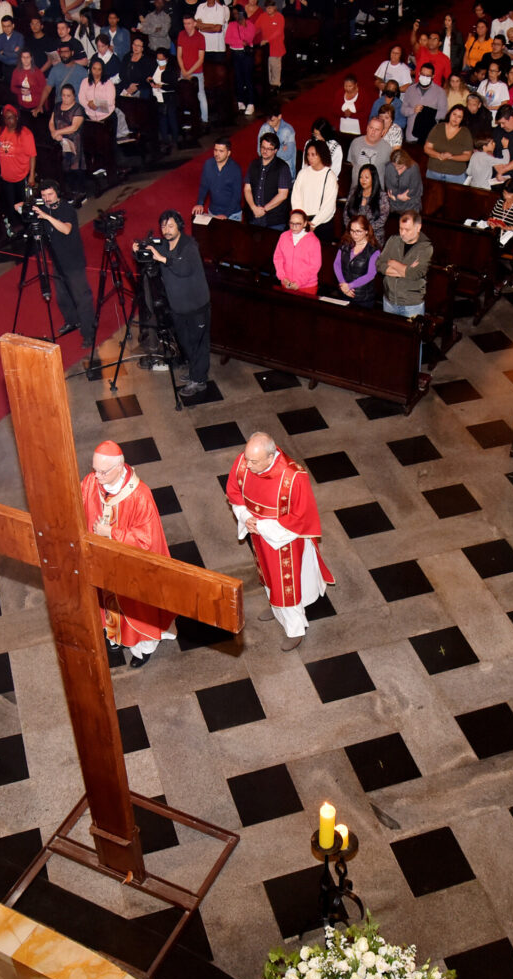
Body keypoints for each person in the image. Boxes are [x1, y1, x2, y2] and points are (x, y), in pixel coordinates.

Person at [226, 431, 334, 652]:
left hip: (284, 542)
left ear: (270, 456)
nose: (247, 465)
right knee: (267, 576)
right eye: (246, 458)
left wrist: (262, 526)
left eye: (254, 461)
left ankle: (295, 631)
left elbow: (300, 518)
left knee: (286, 586)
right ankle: (276, 609)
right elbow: (234, 492)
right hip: (259, 537)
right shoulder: (244, 461)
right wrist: (246, 517)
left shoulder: (293, 477)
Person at [81, 440, 175, 668]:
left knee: (136, 608)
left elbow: (147, 540)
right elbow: (78, 505)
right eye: (95, 470)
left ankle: (143, 649)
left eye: (103, 472)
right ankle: (113, 635)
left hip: (131, 568)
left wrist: (111, 532)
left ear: (119, 467)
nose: (97, 476)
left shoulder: (140, 495)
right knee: (105, 600)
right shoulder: (91, 483)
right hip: (103, 562)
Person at [134, 209, 211, 398]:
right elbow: (147, 258)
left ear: (179, 227)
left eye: (170, 226)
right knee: (185, 342)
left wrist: (161, 258)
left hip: (196, 307)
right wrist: (139, 250)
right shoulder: (163, 245)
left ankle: (199, 380)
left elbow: (183, 268)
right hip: (178, 307)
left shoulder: (189, 246)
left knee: (198, 343)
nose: (166, 230)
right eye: (163, 226)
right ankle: (195, 371)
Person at [25, 179, 96, 347]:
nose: (47, 198)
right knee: (62, 296)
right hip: (57, 260)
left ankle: (88, 333)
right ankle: (72, 321)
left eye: (50, 194)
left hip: (73, 260)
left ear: (57, 194)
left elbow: (66, 229)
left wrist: (47, 217)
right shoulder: (44, 207)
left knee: (82, 297)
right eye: (44, 195)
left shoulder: (66, 209)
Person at [376, 210, 432, 319]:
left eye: (407, 230)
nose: (403, 233)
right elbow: (379, 264)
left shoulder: (425, 247)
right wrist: (405, 270)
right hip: (389, 300)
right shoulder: (393, 240)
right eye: (401, 228)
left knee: (412, 336)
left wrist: (393, 263)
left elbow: (415, 274)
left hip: (411, 304)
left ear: (418, 227)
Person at [0, 103, 36, 232]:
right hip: (7, 175)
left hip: (21, 174)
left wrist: (32, 175)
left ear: (17, 118)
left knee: (22, 206)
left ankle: (27, 229)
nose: (9, 121)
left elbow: (32, 155)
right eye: (6, 118)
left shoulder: (25, 133)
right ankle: (15, 228)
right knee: (10, 205)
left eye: (11, 117)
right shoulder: (0, 130)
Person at [291, 140, 338, 242]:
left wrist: (314, 223)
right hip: (302, 221)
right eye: (308, 154)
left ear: (321, 155)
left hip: (322, 224)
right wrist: (301, 220)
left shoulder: (330, 176)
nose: (310, 158)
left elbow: (328, 206)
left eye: (313, 155)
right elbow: (296, 197)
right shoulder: (303, 173)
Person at [244, 131, 291, 230]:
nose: (265, 151)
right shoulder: (253, 164)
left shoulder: (282, 167)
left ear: (276, 150)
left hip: (274, 221)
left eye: (269, 149)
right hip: (253, 217)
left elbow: (283, 194)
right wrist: (253, 208)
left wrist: (264, 210)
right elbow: (247, 189)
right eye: (263, 147)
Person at [334, 214, 380, 309]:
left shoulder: (373, 250)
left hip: (363, 297)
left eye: (358, 231)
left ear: (366, 231)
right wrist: (343, 284)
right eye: (352, 230)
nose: (354, 234)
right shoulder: (345, 243)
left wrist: (350, 286)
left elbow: (370, 274)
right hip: (344, 292)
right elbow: (337, 264)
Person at [49, 82, 86, 201]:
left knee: (75, 167)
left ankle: (80, 192)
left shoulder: (78, 109)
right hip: (59, 140)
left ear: (73, 96)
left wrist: (58, 132)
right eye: (63, 95)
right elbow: (51, 122)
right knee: (63, 167)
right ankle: (67, 191)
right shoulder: (57, 106)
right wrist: (53, 133)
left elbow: (74, 127)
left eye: (68, 95)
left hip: (73, 141)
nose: (65, 98)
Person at [192, 135, 242, 220]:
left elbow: (236, 196)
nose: (217, 154)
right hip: (213, 212)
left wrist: (226, 214)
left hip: (232, 215)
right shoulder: (208, 164)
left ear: (228, 153)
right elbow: (204, 186)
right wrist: (200, 203)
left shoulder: (235, 169)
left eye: (221, 151)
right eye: (215, 150)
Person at [273, 209, 321, 294]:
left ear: (305, 223)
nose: (294, 227)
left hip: (307, 286)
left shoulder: (314, 241)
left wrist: (299, 282)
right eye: (291, 223)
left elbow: (314, 266)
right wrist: (282, 277)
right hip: (286, 283)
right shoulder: (284, 236)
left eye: (298, 224)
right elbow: (278, 258)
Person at [424, 104, 473, 183]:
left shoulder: (465, 133)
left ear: (463, 119)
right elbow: (427, 148)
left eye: (459, 117)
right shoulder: (438, 127)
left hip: (455, 175)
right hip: (434, 172)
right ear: (449, 114)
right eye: (454, 114)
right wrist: (439, 155)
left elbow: (467, 156)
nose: (455, 118)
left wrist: (451, 157)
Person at [343, 162, 389, 244]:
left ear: (373, 178)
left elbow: (382, 219)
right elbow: (346, 214)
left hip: (374, 237)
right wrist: (353, 230)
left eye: (366, 177)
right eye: (361, 177)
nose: (363, 180)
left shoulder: (382, 196)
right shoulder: (354, 192)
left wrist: (365, 231)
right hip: (354, 235)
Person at [401, 62, 448, 143]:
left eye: (428, 76)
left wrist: (428, 112)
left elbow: (443, 114)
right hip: (410, 137)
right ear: (419, 73)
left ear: (433, 76)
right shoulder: (410, 89)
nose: (424, 77)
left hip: (429, 138)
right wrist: (413, 110)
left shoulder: (440, 92)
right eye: (422, 74)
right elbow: (403, 109)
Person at [225, 4, 256, 115]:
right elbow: (227, 39)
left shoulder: (250, 25)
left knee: (248, 78)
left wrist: (243, 26)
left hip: (246, 55)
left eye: (237, 13)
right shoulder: (232, 25)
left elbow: (249, 39)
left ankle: (251, 103)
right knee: (238, 78)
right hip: (235, 54)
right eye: (234, 14)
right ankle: (240, 100)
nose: (236, 16)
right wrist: (239, 42)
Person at [177, 15, 207, 124]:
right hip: (183, 70)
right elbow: (179, 55)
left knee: (201, 95)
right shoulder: (181, 34)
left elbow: (201, 59)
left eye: (189, 23)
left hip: (196, 72)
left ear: (194, 23)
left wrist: (188, 72)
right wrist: (183, 70)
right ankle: (187, 120)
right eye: (185, 23)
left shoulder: (200, 37)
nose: (187, 26)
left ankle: (204, 120)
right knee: (184, 95)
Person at [347, 117, 392, 188]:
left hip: (376, 192)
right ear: (367, 128)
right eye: (371, 128)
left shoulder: (387, 148)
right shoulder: (356, 143)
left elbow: (389, 171)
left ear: (382, 132)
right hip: (356, 190)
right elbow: (353, 163)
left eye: (377, 130)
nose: (373, 132)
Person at [41, 41, 88, 109]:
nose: (63, 54)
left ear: (72, 53)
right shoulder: (55, 69)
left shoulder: (82, 71)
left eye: (66, 52)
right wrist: (40, 105)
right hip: (60, 107)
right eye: (61, 52)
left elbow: (88, 91)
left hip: (76, 108)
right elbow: (47, 89)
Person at [148, 46, 178, 149]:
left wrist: (161, 86)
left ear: (166, 59)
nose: (159, 61)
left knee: (171, 118)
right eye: (158, 59)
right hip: (157, 97)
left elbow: (174, 85)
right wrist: (150, 81)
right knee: (162, 119)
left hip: (168, 97)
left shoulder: (171, 69)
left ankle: (175, 139)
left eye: (162, 59)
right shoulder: (154, 67)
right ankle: (165, 139)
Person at [257, 102, 296, 179]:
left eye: (272, 120)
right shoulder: (264, 128)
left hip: (286, 173)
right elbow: (259, 151)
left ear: (279, 116)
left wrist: (269, 151)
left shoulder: (288, 130)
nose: (270, 123)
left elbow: (287, 154)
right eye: (268, 120)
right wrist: (280, 149)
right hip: (268, 172)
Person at [385, 147, 423, 213]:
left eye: (401, 168)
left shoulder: (413, 168)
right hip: (393, 205)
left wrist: (397, 197)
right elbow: (390, 189)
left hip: (411, 205)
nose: (398, 171)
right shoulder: (389, 167)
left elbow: (415, 190)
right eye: (395, 167)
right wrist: (398, 197)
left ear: (406, 163)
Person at [11, 50, 47, 115]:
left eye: (27, 57)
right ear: (20, 59)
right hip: (21, 106)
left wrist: (30, 90)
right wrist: (20, 91)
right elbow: (12, 88)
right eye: (23, 57)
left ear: (31, 58)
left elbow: (44, 89)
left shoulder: (37, 72)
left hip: (36, 106)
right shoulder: (16, 71)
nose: (25, 59)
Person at [259, 0, 285, 91]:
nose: (269, 9)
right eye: (267, 7)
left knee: (275, 67)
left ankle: (276, 85)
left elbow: (278, 31)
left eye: (271, 7)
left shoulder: (280, 17)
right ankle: (270, 87)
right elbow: (255, 28)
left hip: (276, 47)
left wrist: (267, 40)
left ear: (275, 7)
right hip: (266, 48)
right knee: (268, 67)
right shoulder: (262, 16)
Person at [119, 34, 154, 98]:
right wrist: (129, 85)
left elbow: (148, 79)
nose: (135, 47)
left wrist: (137, 87)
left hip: (140, 87)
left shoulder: (147, 60)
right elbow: (121, 74)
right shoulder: (127, 57)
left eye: (138, 46)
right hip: (126, 85)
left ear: (143, 48)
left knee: (145, 92)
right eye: (134, 44)